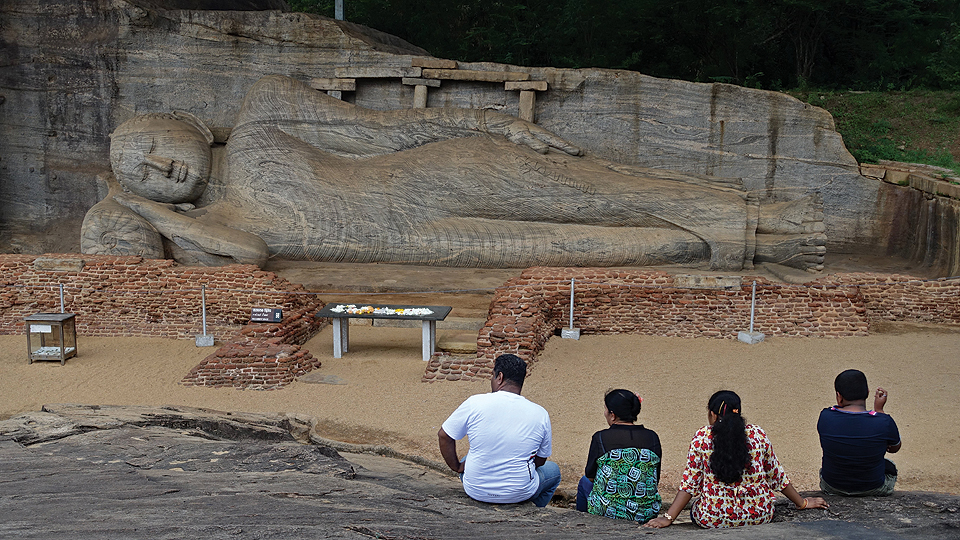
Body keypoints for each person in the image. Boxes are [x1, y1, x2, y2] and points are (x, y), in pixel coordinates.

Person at [83, 74, 828, 272]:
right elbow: (254, 257)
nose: (159, 167)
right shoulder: (214, 226)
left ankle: (773, 219)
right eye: (140, 175)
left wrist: (490, 123)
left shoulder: (260, 116)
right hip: (424, 240)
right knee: (604, 248)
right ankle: (745, 247)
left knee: (609, 194)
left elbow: (384, 129)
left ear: (184, 122)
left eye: (152, 143)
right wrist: (152, 217)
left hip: (441, 178)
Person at [645, 390, 827, 529]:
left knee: (698, 506)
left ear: (713, 414)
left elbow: (690, 485)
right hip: (759, 515)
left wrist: (668, 518)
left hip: (713, 518)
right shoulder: (758, 434)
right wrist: (802, 503)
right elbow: (776, 476)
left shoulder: (702, 437)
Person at [437, 354, 560, 506]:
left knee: (466, 459)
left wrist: (455, 467)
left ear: (499, 377)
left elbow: (444, 435)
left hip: (475, 489)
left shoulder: (475, 402)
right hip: (519, 492)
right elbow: (541, 460)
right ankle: (533, 509)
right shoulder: (540, 413)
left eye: (492, 376)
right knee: (554, 471)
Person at [576, 389, 662, 523]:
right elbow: (654, 479)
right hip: (644, 514)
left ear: (612, 415)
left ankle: (582, 523)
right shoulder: (652, 437)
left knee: (584, 482)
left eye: (606, 409)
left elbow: (590, 476)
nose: (604, 413)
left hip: (606, 512)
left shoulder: (600, 437)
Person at [818, 369, 902, 496]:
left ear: (839, 396)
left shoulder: (825, 416)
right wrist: (879, 410)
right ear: (867, 393)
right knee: (890, 466)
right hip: (873, 487)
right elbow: (895, 448)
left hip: (832, 486)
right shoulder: (884, 421)